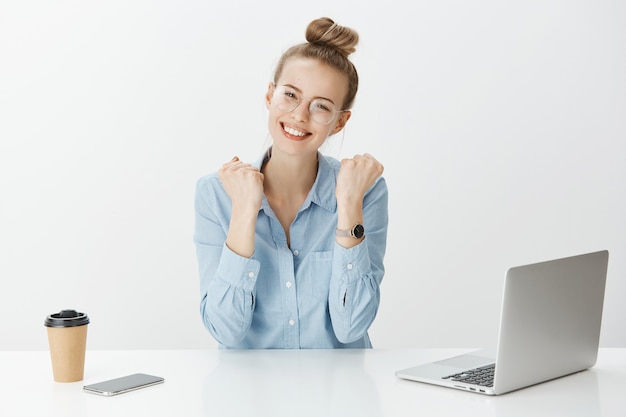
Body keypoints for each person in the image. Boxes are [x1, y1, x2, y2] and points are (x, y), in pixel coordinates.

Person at [194, 17, 388, 349]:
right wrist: (244, 211)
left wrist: (349, 204)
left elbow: (351, 326)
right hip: (251, 395)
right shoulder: (216, 193)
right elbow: (225, 330)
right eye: (290, 95)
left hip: (342, 393)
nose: (300, 115)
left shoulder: (364, 190)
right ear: (270, 96)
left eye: (321, 106)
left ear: (340, 122)